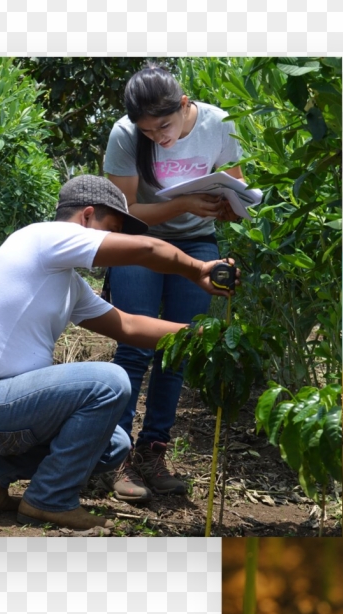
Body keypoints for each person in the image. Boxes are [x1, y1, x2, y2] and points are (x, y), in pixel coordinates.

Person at [0, 175, 237, 531]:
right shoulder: (43, 238)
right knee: (110, 381)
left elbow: (128, 326)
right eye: (114, 230)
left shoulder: (67, 282)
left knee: (115, 444)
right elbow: (148, 250)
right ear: (87, 216)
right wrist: (198, 269)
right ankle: (49, 500)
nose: (117, 242)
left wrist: (203, 336)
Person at [102, 63, 245, 502]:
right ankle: (115, 454)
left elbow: (238, 187)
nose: (157, 138)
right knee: (134, 345)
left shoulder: (218, 124)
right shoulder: (125, 135)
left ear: (184, 105)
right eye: (148, 132)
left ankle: (153, 452)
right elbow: (122, 211)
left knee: (179, 347)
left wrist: (230, 208)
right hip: (137, 242)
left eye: (163, 126)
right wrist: (183, 203)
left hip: (198, 242)